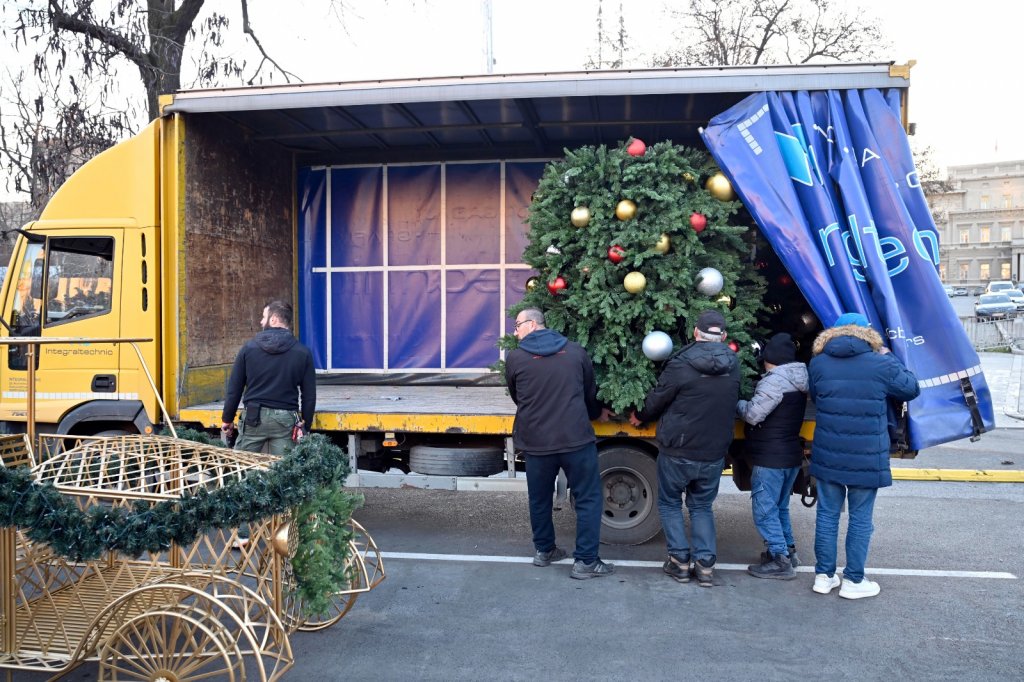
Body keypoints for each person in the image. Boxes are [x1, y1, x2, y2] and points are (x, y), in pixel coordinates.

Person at [808, 312, 919, 600]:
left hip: (828, 452)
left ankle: (824, 576)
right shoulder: (880, 363)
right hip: (866, 454)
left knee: (827, 515)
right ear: (867, 334)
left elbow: (817, 397)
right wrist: (888, 355)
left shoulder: (818, 363)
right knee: (860, 518)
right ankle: (854, 580)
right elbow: (911, 389)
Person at [629, 309, 740, 587]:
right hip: (713, 450)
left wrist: (640, 415)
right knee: (701, 506)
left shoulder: (681, 363)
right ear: (723, 336)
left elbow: (659, 398)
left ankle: (679, 562)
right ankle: (705, 566)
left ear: (695, 332)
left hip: (678, 449)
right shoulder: (733, 363)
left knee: (669, 503)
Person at [505, 307, 614, 580]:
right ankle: (586, 562)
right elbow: (588, 392)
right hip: (575, 439)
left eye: (517, 326)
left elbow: (518, 396)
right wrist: (595, 413)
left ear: (532, 324)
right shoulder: (576, 352)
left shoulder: (515, 358)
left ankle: (544, 551)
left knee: (539, 499)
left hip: (536, 441)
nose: (515, 332)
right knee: (588, 498)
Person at [736, 332, 808, 580]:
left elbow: (753, 415)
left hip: (771, 456)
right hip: (789, 455)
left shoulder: (775, 382)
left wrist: (739, 403)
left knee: (765, 509)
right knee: (780, 507)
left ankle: (779, 559)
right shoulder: (799, 377)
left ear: (770, 359)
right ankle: (789, 552)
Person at [221, 300, 317, 456]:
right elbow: (309, 394)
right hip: (285, 419)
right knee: (283, 468)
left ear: (273, 320)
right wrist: (306, 424)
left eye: (263, 316)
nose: (261, 321)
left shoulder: (249, 348)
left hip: (253, 417)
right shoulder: (302, 352)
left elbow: (235, 388)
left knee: (242, 465)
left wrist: (227, 419)